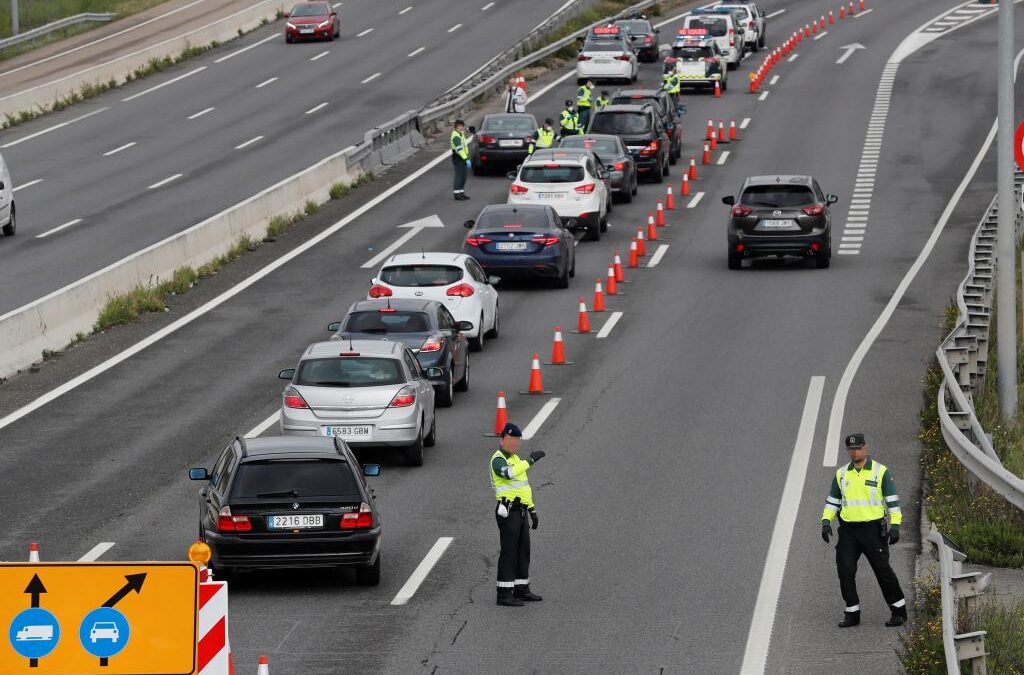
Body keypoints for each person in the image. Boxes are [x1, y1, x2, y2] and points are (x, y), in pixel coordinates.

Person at [821, 433, 907, 628]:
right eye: (851, 449)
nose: (855, 452)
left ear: (865, 448)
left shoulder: (881, 472)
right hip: (848, 531)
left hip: (873, 530)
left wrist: (895, 526)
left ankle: (899, 611)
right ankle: (852, 612)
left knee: (882, 570)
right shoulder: (842, 474)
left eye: (858, 448)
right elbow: (833, 501)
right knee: (845, 570)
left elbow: (893, 502)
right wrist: (826, 521)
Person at [490, 422, 546, 606]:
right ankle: (504, 594)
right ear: (504, 438)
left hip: (520, 510)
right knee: (509, 552)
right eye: (512, 439)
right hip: (508, 511)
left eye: (518, 440)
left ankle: (522, 588)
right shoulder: (498, 460)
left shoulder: (515, 459)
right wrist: (530, 461)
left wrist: (532, 510)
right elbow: (509, 474)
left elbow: (524, 489)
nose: (515, 443)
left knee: (523, 551)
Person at [450, 119, 471, 201]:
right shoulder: (455, 136)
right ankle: (457, 194)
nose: (462, 127)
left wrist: (466, 157)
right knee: (459, 176)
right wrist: (466, 159)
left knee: (463, 176)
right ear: (456, 127)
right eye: (460, 126)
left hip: (463, 157)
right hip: (458, 158)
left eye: (462, 126)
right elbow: (459, 149)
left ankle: (461, 193)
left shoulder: (460, 134)